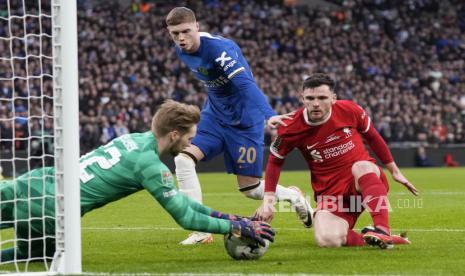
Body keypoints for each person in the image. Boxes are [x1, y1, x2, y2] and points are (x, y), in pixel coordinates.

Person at [0, 100, 275, 262]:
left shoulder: (131, 139)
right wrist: (235, 226)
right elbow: (187, 218)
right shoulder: (150, 166)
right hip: (48, 211)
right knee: (33, 257)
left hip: (30, 184)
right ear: (175, 134)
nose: (194, 142)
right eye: (191, 137)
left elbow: (185, 203)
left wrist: (233, 219)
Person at [165, 7, 313, 245]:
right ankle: (201, 230)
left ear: (197, 27)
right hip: (214, 116)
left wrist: (268, 115)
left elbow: (245, 84)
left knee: (251, 189)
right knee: (183, 160)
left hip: (245, 121)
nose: (181, 38)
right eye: (175, 34)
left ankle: (294, 196)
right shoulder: (181, 51)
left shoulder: (219, 49)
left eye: (186, 31)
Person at [254, 73, 419, 249]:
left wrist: (394, 171)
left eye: (322, 98)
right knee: (327, 240)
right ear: (302, 98)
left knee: (361, 166)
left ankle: (382, 230)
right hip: (331, 195)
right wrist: (268, 202)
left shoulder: (350, 110)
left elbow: (373, 137)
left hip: (364, 185)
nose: (316, 103)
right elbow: (275, 162)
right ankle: (377, 240)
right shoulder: (290, 128)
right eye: (310, 98)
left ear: (333, 98)